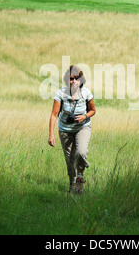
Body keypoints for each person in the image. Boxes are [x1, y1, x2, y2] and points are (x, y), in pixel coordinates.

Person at [48, 65, 96, 194]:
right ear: (66, 80)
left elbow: (93, 110)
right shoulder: (61, 94)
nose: (73, 81)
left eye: (76, 78)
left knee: (81, 152)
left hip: (82, 127)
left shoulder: (86, 93)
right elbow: (54, 115)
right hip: (65, 129)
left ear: (81, 80)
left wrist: (84, 116)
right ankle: (72, 183)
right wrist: (51, 135)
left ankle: (80, 178)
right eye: (70, 78)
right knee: (69, 158)